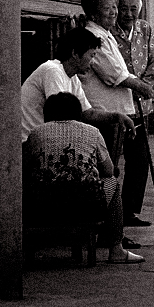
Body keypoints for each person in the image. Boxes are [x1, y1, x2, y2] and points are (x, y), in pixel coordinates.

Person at [23, 92, 144, 264]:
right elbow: (109, 170)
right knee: (113, 184)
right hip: (87, 204)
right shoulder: (92, 132)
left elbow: (25, 168)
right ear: (78, 113)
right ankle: (116, 249)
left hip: (43, 205)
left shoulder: (35, 133)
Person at [77, 0, 154, 245]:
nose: (114, 12)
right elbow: (114, 75)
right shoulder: (92, 37)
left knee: (122, 166)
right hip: (104, 113)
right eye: (109, 8)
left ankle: (117, 222)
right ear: (93, 13)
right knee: (107, 171)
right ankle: (108, 230)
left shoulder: (106, 35)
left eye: (114, 7)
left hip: (120, 112)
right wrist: (141, 86)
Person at [21, 25, 134, 144]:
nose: (93, 62)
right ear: (75, 53)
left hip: (46, 141)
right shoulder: (52, 70)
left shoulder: (73, 77)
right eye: (91, 55)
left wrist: (116, 116)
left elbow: (87, 113)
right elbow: (59, 116)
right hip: (29, 142)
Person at [112, 0, 154, 228]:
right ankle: (111, 212)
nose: (128, 14)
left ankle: (130, 210)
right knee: (112, 159)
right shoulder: (109, 32)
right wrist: (131, 86)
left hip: (141, 102)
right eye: (123, 8)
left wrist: (145, 85)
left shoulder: (145, 29)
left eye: (133, 9)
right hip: (117, 102)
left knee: (140, 158)